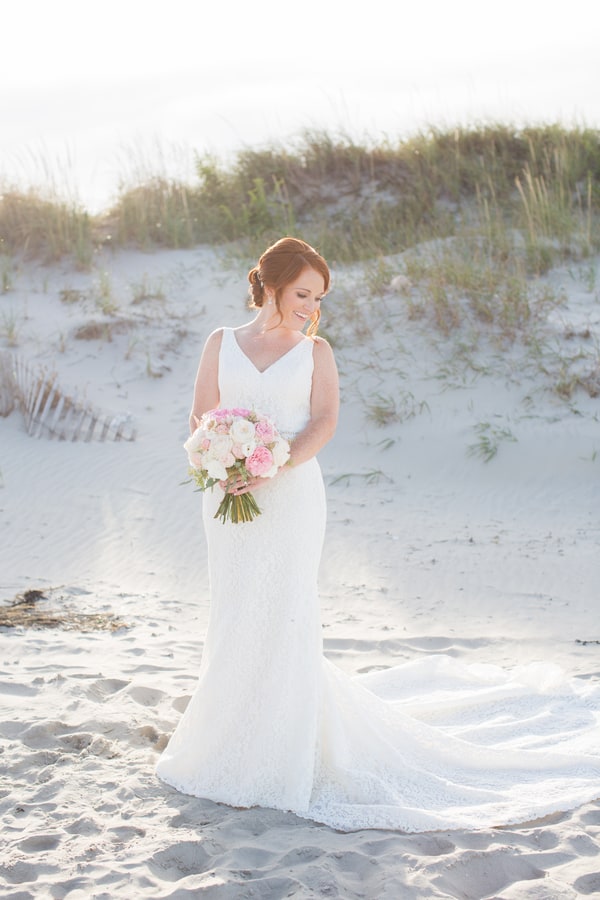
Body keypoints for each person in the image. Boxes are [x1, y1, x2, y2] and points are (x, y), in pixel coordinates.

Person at [156, 236, 600, 832]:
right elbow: (201, 417)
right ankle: (224, 744)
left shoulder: (317, 352)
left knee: (284, 611)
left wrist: (271, 466)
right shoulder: (221, 343)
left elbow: (324, 422)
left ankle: (276, 756)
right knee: (235, 612)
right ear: (271, 284)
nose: (310, 307)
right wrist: (223, 463)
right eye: (302, 293)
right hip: (226, 497)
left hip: (288, 497)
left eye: (318, 297)